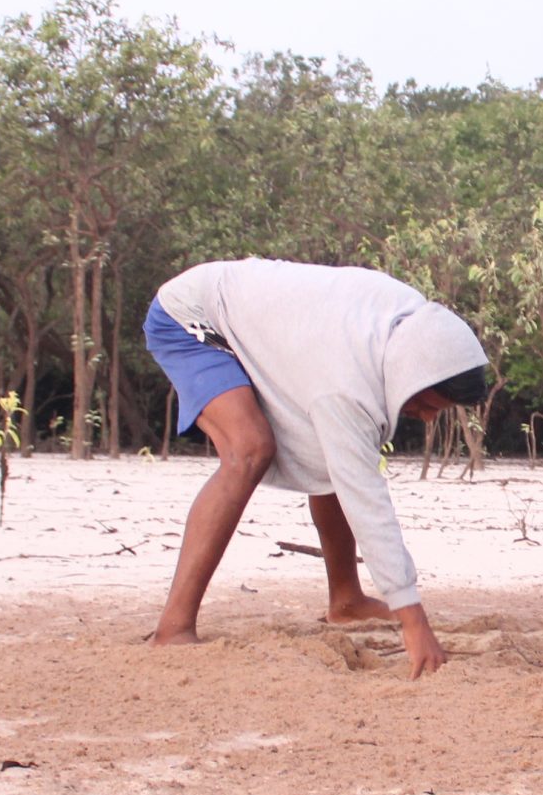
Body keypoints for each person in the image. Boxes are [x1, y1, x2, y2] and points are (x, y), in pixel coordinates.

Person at [144, 258, 489, 678]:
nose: (431, 418)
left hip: (268, 327)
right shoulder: (345, 386)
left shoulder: (412, 326)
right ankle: (173, 627)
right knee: (249, 449)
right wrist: (413, 619)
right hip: (191, 316)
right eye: (431, 404)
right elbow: (367, 502)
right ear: (412, 374)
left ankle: (346, 600)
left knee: (336, 450)